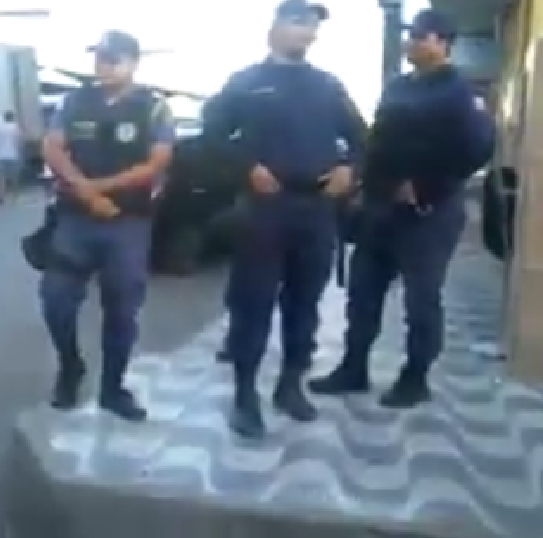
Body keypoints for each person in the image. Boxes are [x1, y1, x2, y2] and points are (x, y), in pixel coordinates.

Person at [308, 9, 494, 407]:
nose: (411, 42)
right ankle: (353, 368)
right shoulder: (398, 87)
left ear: (442, 43)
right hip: (380, 208)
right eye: (411, 35)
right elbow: (376, 141)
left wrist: (426, 186)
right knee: (363, 292)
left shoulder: (458, 92)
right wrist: (360, 183)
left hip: (427, 215)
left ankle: (415, 378)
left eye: (421, 36)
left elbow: (479, 148)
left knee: (421, 299)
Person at [201, 0, 367, 439]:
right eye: (298, 22)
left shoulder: (327, 85)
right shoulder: (246, 82)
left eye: (312, 25)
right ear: (274, 26)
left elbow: (362, 138)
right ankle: (244, 395)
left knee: (305, 304)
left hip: (315, 210)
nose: (307, 32)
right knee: (252, 303)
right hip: (264, 210)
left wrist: (351, 169)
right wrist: (246, 167)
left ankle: (290, 385)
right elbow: (212, 134)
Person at [40, 30, 175, 421]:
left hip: (127, 221)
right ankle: (70, 367)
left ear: (133, 63)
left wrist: (100, 189)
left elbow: (157, 162)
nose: (104, 65)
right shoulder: (74, 101)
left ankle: (113, 388)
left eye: (113, 59)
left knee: (122, 309)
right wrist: (86, 192)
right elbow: (52, 148)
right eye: (100, 57)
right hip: (75, 219)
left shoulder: (154, 107)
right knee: (56, 300)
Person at [0, 110, 23, 203]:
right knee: (15, 178)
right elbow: (19, 141)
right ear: (12, 118)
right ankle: (15, 197)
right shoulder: (15, 127)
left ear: (4, 118)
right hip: (13, 156)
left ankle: (1, 196)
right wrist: (20, 152)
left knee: (2, 178)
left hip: (1, 156)